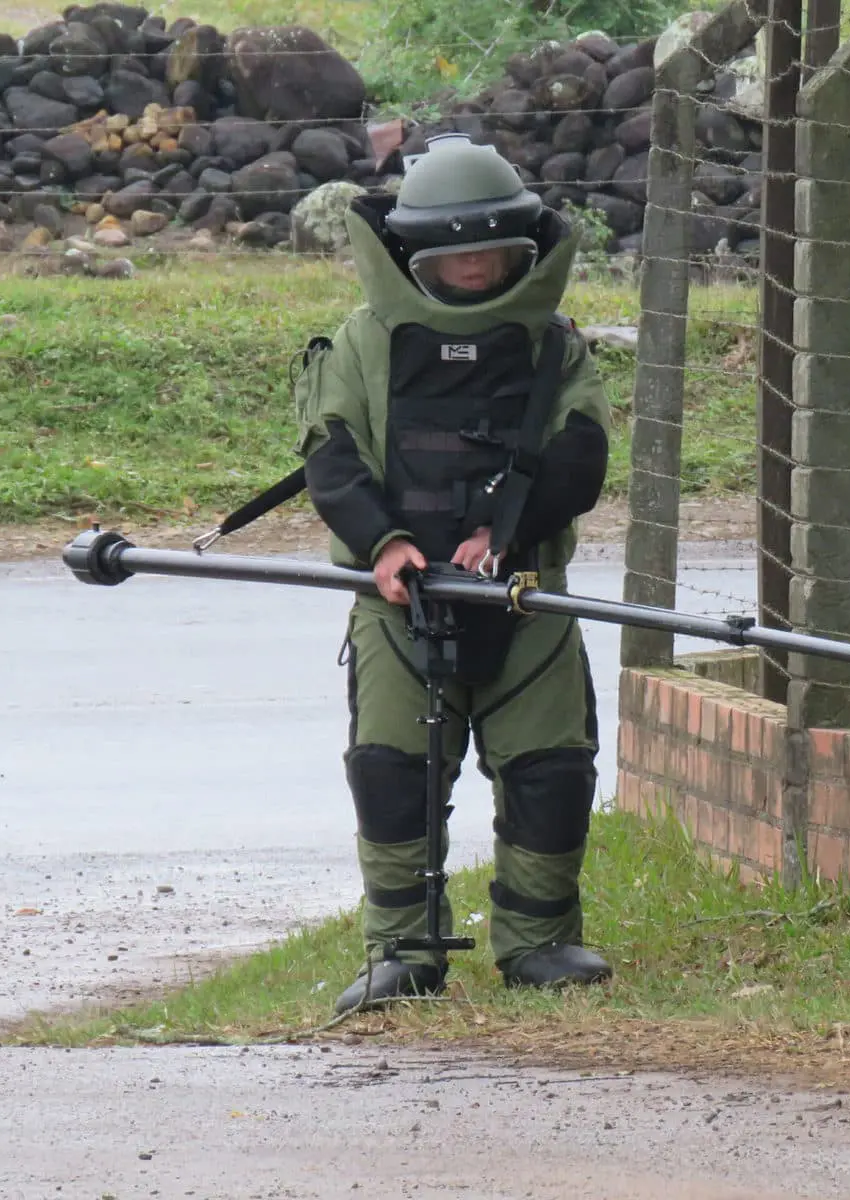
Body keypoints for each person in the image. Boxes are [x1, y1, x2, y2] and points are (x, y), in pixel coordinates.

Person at [293, 132, 615, 1011]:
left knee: (552, 768)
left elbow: (579, 457)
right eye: (456, 260)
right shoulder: (361, 343)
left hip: (527, 595)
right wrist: (384, 545)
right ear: (412, 257)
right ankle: (402, 950)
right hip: (395, 600)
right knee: (392, 769)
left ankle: (541, 942)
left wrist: (503, 533)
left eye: (494, 258)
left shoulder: (559, 348)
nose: (476, 273)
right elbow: (332, 455)